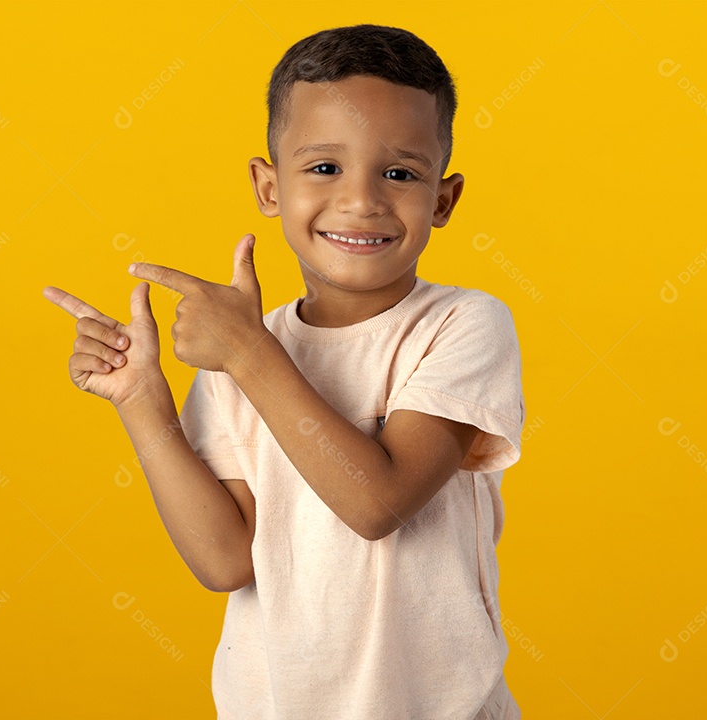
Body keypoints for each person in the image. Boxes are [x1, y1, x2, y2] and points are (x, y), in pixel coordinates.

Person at [43, 23, 525, 720]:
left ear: (443, 200)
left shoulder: (462, 324)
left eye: (400, 173)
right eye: (324, 167)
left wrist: (245, 354)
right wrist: (144, 400)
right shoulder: (246, 346)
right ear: (269, 187)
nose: (362, 200)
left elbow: (378, 505)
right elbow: (226, 561)